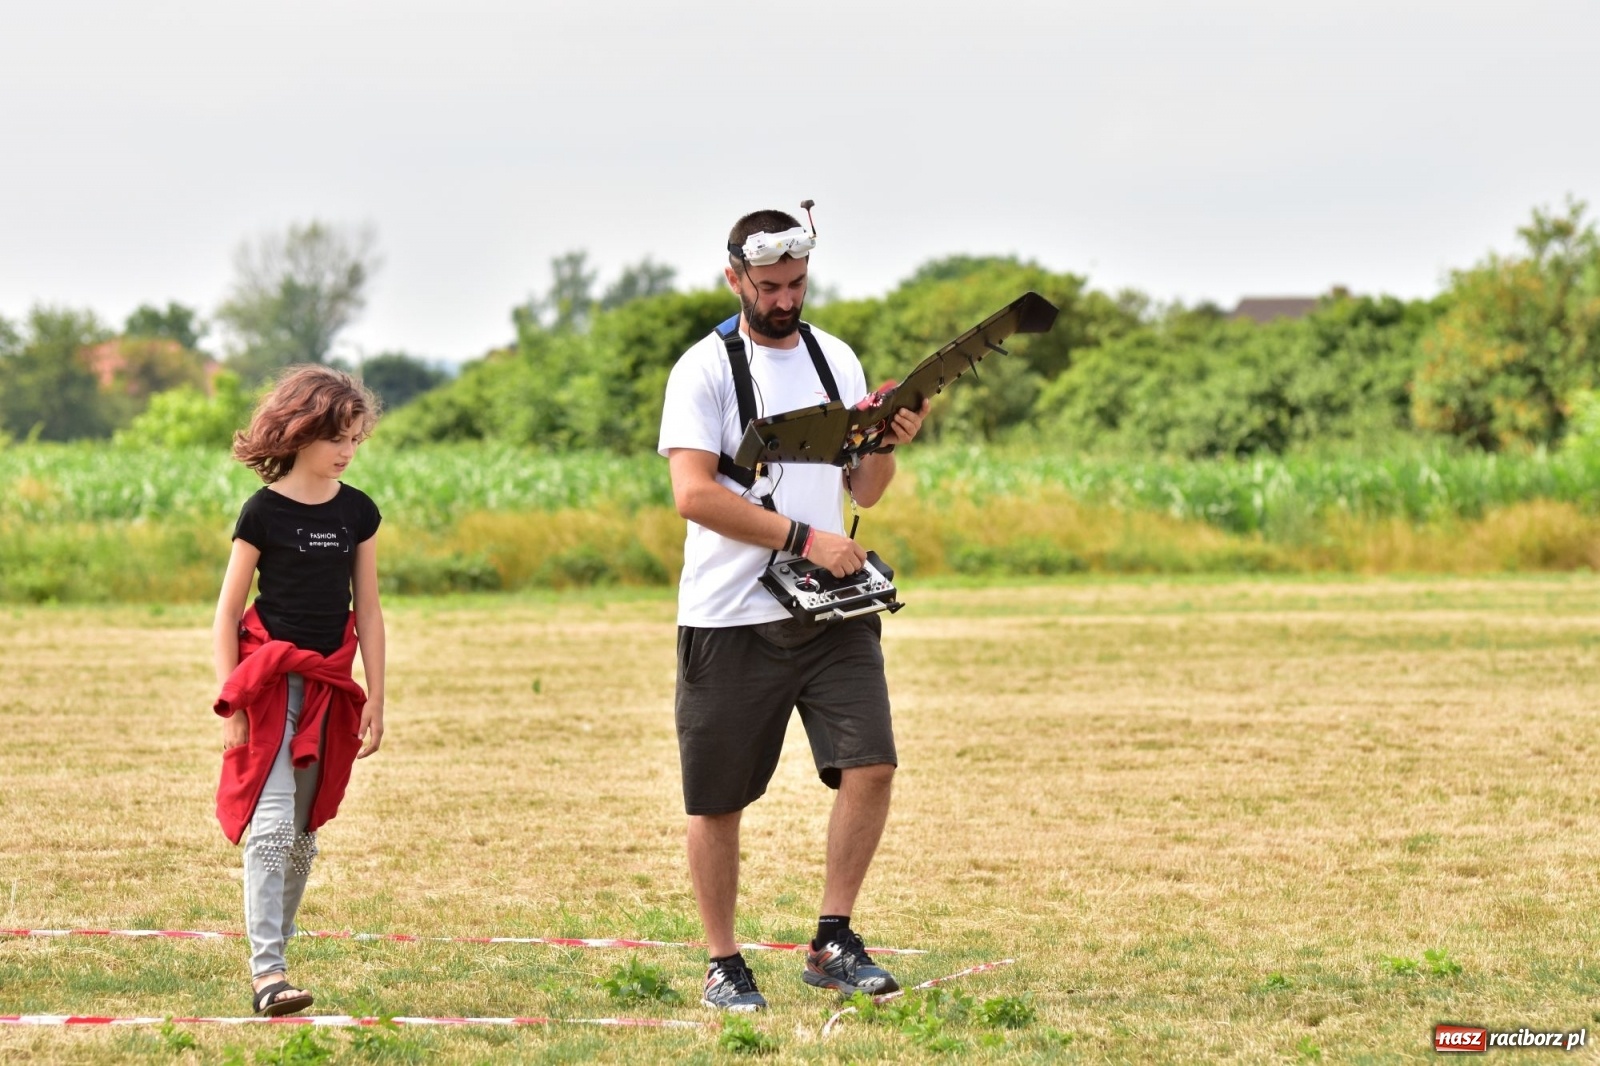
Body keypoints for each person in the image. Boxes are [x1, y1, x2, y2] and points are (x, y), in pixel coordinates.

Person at [658, 207, 930, 1011]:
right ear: (734, 278)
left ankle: (833, 939)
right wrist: (806, 539)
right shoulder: (702, 370)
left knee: (871, 765)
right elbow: (693, 494)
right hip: (729, 615)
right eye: (770, 286)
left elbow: (864, 490)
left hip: (832, 613)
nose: (785, 299)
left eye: (797, 284)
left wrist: (887, 440)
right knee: (717, 800)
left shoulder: (834, 357)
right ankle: (723, 962)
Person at [210, 365, 387, 1016]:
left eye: (355, 439)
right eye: (337, 437)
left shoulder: (358, 511)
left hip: (331, 688)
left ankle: (276, 964)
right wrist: (230, 703)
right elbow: (227, 614)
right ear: (301, 431)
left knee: (304, 832)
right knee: (273, 825)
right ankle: (268, 974)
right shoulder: (261, 512)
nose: (347, 450)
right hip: (267, 686)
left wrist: (376, 698)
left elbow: (368, 612)